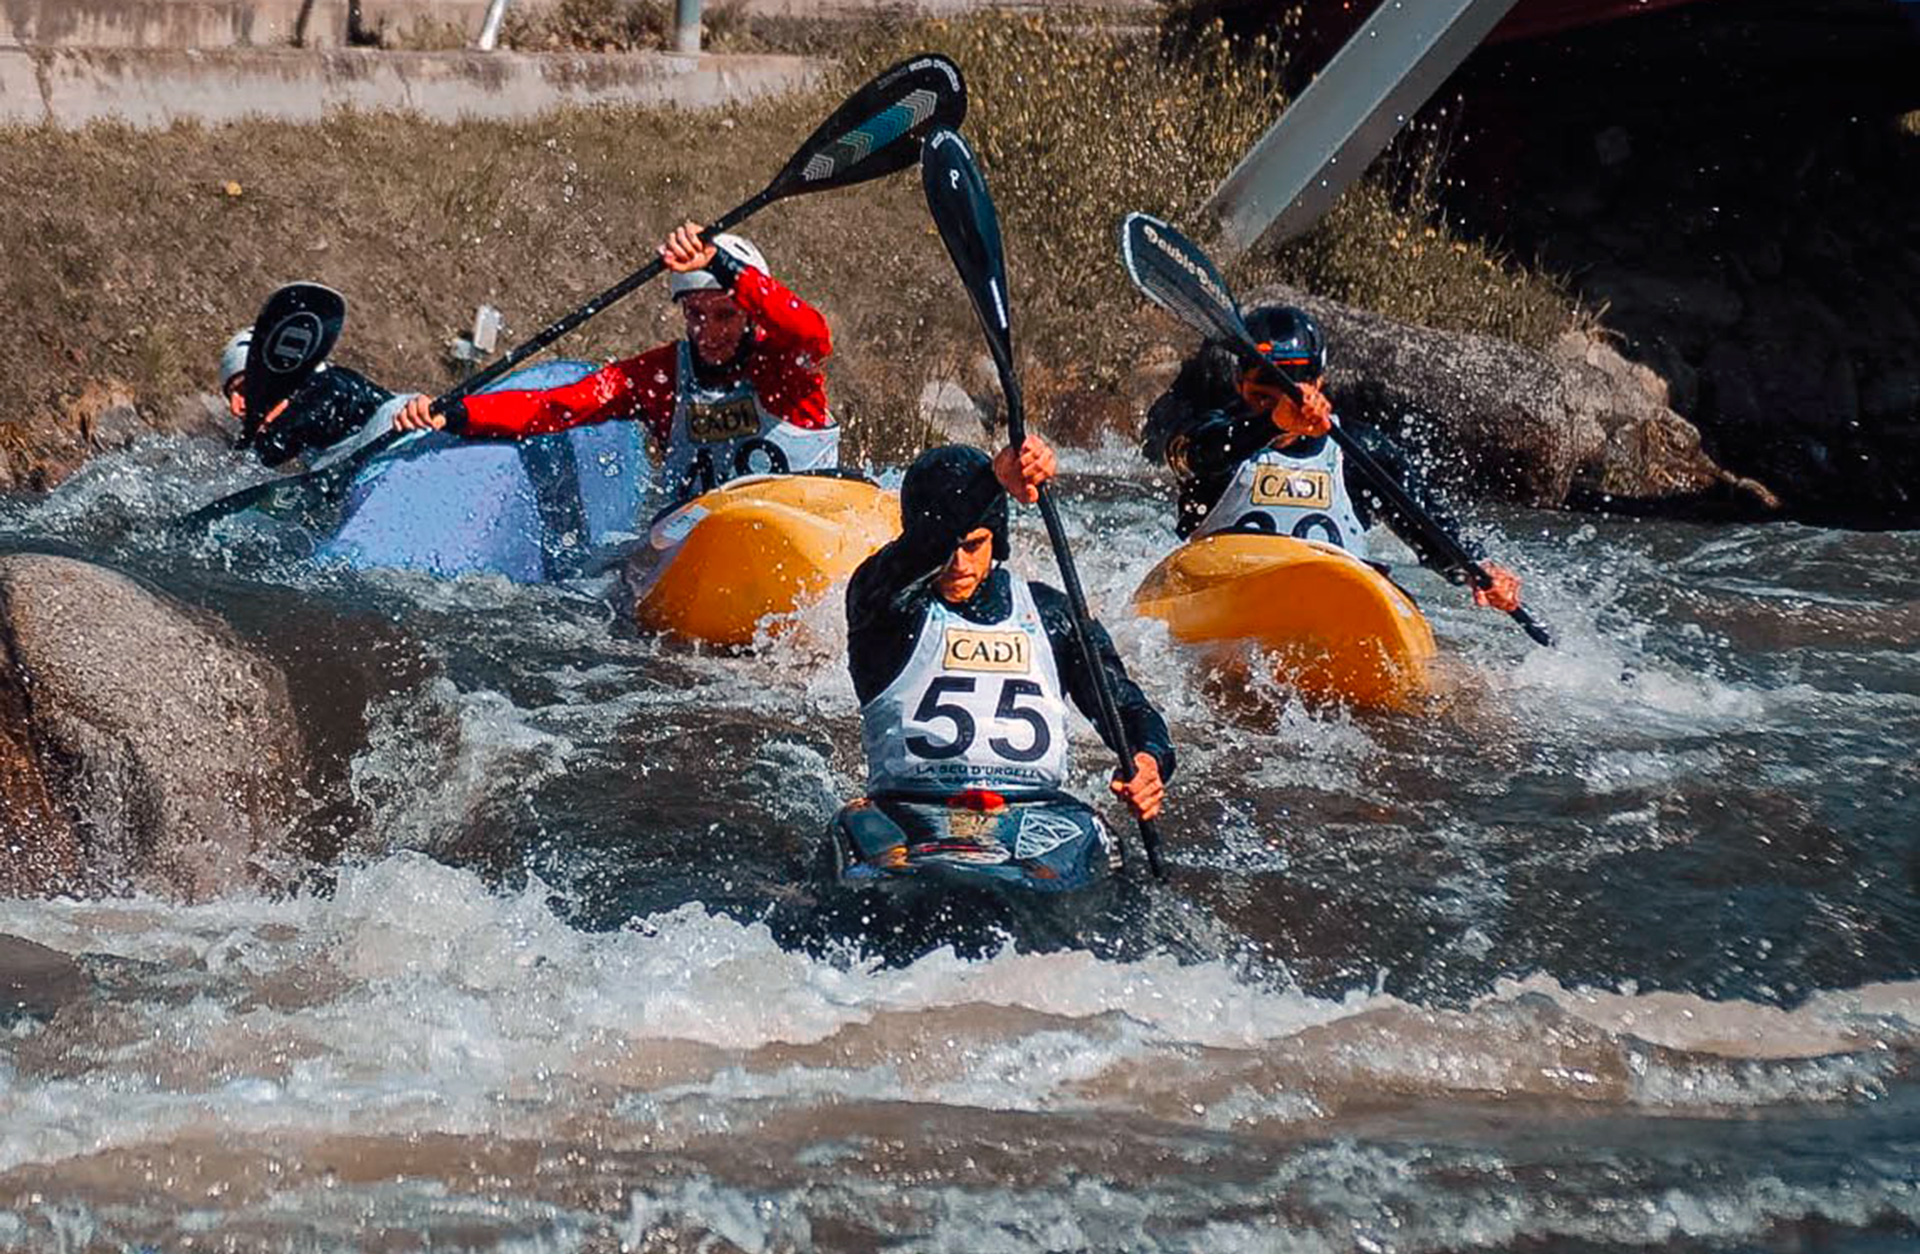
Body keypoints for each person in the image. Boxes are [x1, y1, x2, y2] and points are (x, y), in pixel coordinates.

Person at [826, 437, 1173, 888]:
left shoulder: (1052, 615)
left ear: (998, 541)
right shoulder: (884, 607)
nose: (958, 563)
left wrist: (1149, 762)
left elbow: (1127, 707)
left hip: (1036, 815)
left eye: (974, 545)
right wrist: (993, 480)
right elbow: (924, 545)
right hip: (903, 814)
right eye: (947, 548)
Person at [394, 222, 838, 508]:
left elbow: (813, 333)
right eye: (695, 315)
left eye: (724, 314)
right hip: (701, 543)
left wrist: (723, 266)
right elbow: (557, 407)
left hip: (803, 520)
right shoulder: (659, 378)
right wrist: (454, 413)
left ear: (749, 312)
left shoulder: (787, 365)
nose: (709, 331)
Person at [1142, 304, 1523, 612]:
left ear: (1319, 385)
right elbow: (1193, 456)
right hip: (1224, 594)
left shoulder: (1361, 451)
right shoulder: (1214, 435)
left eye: (1290, 395)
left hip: (1335, 597)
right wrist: (1269, 425)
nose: (1278, 406)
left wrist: (1478, 570)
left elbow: (1427, 528)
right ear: (1239, 384)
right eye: (1261, 395)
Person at [218, 325, 392, 467]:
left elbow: (328, 397)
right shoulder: (318, 448)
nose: (235, 408)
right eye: (230, 396)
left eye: (245, 388)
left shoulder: (335, 386)